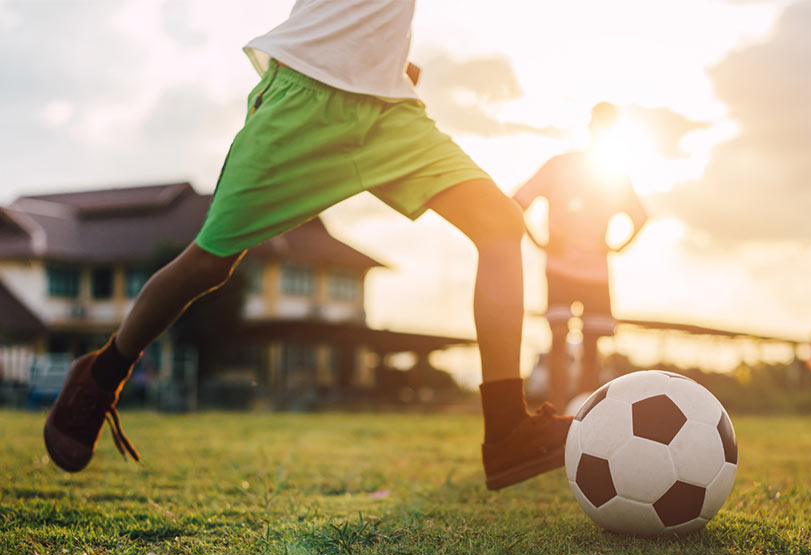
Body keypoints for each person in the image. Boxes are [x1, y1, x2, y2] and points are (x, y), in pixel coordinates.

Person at [43, 0, 570, 490]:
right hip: (303, 101)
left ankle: (506, 430)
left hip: (389, 112)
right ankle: (102, 373)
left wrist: (385, 62)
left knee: (501, 224)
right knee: (209, 264)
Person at [514, 103, 648, 411]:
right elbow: (518, 202)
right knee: (559, 339)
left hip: (596, 272)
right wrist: (540, 242)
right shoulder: (558, 165)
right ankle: (558, 411)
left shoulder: (615, 175)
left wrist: (614, 247)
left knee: (591, 343)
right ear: (590, 126)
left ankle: (584, 413)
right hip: (559, 268)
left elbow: (640, 217)